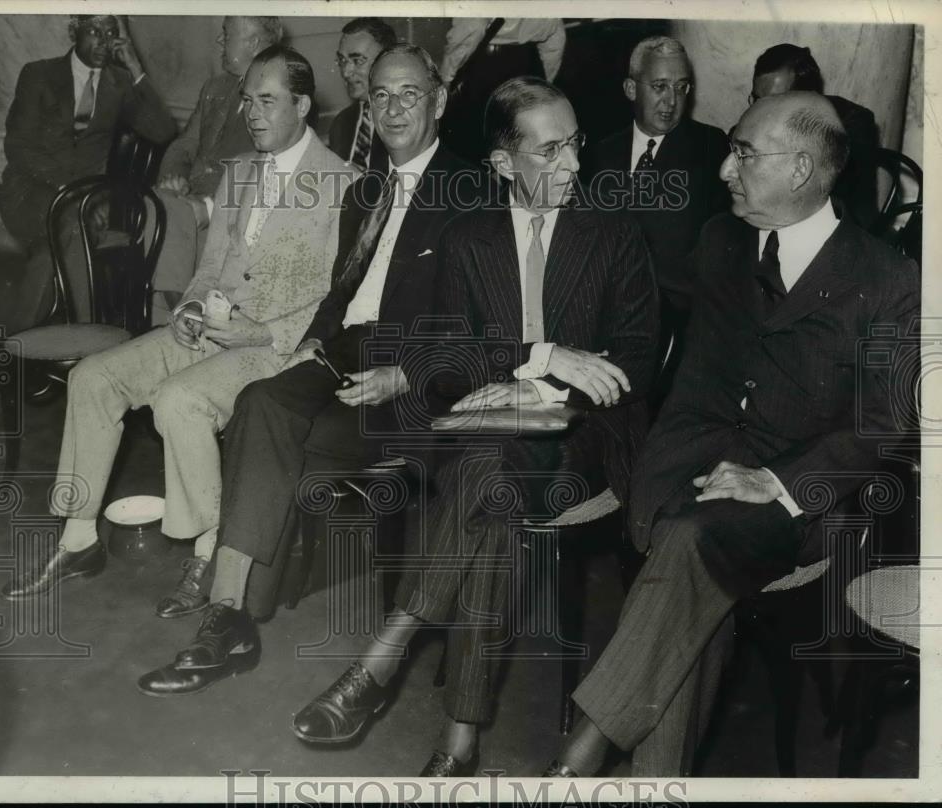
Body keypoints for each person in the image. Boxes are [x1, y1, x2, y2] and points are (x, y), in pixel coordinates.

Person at [538, 91, 919, 778]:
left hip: (796, 501)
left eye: (744, 153)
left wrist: (775, 482)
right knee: (692, 572)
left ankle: (577, 760)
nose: (723, 171)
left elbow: (884, 424)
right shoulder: (721, 241)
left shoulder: (889, 280)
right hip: (688, 471)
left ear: (801, 168)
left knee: (690, 544)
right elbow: (686, 374)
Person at [293, 77, 659, 776]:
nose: (575, 165)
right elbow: (446, 355)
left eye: (575, 143)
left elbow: (634, 358)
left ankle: (389, 656)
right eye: (550, 150)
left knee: (489, 464)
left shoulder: (612, 233)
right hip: (487, 439)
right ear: (502, 164)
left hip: (585, 436)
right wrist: (541, 356)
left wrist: (535, 382)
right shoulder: (467, 240)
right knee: (493, 475)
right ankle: (456, 741)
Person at [135, 44, 482, 697]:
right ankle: (230, 617)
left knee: (271, 431)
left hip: (413, 376)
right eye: (380, 94)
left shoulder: (472, 191)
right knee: (263, 403)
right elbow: (340, 293)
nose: (393, 106)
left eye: (410, 93)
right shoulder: (366, 188)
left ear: (438, 100)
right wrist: (307, 345)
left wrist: (407, 372)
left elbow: (485, 323)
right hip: (343, 351)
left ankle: (243, 603)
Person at [0, 46, 358, 620]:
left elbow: (337, 299)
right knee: (94, 377)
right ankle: (78, 539)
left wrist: (257, 333)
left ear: (303, 104)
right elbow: (209, 268)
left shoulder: (345, 184)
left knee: (179, 401)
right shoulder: (238, 172)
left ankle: (210, 548)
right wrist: (191, 307)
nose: (253, 114)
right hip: (209, 330)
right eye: (247, 100)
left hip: (274, 349)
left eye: (268, 101)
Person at [0, 14, 176, 329]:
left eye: (111, 32)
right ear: (73, 32)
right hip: (30, 194)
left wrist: (135, 68)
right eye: (94, 31)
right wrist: (75, 192)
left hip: (87, 204)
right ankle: (89, 336)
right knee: (72, 225)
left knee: (62, 240)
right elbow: (18, 147)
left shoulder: (119, 83)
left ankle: (16, 342)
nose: (104, 41)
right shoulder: (39, 74)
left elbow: (163, 130)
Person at [150, 16, 283, 323]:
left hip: (229, 213)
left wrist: (209, 205)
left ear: (253, 43)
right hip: (185, 202)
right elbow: (184, 144)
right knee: (151, 204)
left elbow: (266, 170)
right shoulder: (216, 87)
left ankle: (178, 319)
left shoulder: (278, 96)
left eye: (227, 34)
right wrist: (174, 177)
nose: (219, 42)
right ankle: (168, 321)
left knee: (164, 216)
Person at [584, 36, 729, 314]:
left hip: (678, 316)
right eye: (659, 86)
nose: (672, 101)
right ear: (630, 89)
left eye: (681, 87)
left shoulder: (710, 147)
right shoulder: (600, 153)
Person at [751, 43, 880, 230]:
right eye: (756, 100)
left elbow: (855, 209)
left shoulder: (850, 125)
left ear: (809, 98)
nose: (760, 113)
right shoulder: (747, 130)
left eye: (775, 102)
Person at [439, 18, 566, 164]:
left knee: (474, 146)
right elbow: (556, 35)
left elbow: (473, 27)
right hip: (529, 64)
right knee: (521, 144)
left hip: (485, 67)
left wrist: (447, 75)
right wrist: (544, 80)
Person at [327, 17, 395, 172]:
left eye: (357, 61)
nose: (345, 72)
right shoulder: (341, 123)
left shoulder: (407, 123)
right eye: (342, 60)